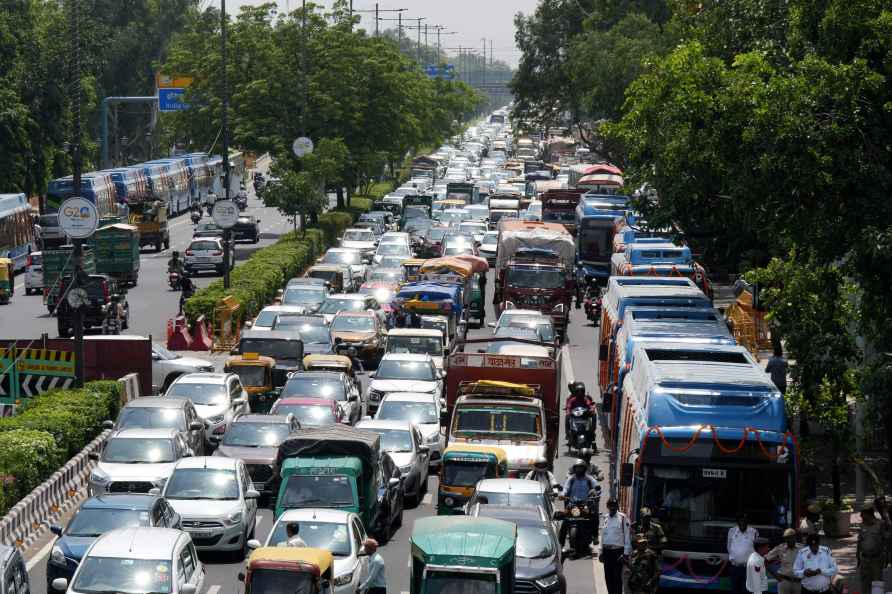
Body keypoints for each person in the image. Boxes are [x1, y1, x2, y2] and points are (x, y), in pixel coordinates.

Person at [560, 459, 600, 551]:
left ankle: (595, 536)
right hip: (573, 504)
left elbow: (597, 487)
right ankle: (560, 544)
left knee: (594, 516)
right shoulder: (571, 479)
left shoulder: (589, 479)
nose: (579, 470)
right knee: (565, 521)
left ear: (584, 469)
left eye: (581, 468)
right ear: (574, 469)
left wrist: (596, 491)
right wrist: (562, 495)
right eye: (577, 468)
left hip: (585, 505)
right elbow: (565, 488)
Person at [600, 498, 632, 594]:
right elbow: (603, 536)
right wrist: (601, 552)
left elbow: (627, 537)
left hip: (618, 553)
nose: (612, 509)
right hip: (607, 552)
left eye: (614, 507)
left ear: (617, 507)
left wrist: (626, 554)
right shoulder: (605, 518)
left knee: (617, 578)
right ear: (608, 507)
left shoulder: (622, 518)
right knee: (608, 577)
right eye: (610, 507)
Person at [857, 503, 886, 592]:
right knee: (865, 584)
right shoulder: (862, 525)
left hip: (876, 560)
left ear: (869, 513)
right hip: (864, 559)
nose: (861, 515)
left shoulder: (880, 524)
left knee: (877, 586)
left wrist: (887, 556)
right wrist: (858, 556)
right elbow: (860, 541)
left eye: (863, 513)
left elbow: (886, 540)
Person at [765, 528, 804, 594]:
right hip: (784, 581)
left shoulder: (802, 549)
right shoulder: (780, 548)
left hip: (798, 582)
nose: (789, 540)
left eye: (791, 537)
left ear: (795, 537)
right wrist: (774, 574)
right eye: (787, 538)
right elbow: (764, 560)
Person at [729, 513, 759, 594]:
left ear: (747, 522)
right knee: (734, 590)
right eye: (740, 521)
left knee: (747, 591)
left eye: (744, 521)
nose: (742, 522)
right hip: (734, 567)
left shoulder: (754, 532)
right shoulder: (731, 531)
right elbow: (729, 547)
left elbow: (756, 548)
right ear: (737, 522)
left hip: (748, 569)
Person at [565, 381, 597, 447]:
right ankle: (568, 433)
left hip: (584, 417)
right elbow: (568, 406)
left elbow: (590, 405)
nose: (580, 393)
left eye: (581, 391)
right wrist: (568, 412)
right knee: (567, 418)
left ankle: (592, 435)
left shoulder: (586, 399)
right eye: (578, 391)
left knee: (594, 416)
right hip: (575, 417)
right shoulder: (571, 399)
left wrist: (591, 410)